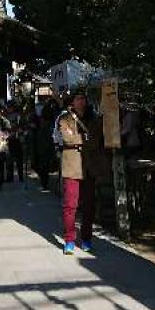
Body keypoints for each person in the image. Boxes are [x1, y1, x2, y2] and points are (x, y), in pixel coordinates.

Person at [58, 91, 96, 254]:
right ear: (72, 102)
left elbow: (96, 139)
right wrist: (84, 138)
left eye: (84, 98)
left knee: (89, 205)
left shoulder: (93, 119)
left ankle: (86, 238)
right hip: (71, 166)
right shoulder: (64, 119)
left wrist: (80, 138)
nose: (82, 101)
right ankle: (69, 239)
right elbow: (67, 139)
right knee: (70, 205)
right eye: (78, 98)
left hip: (88, 166)